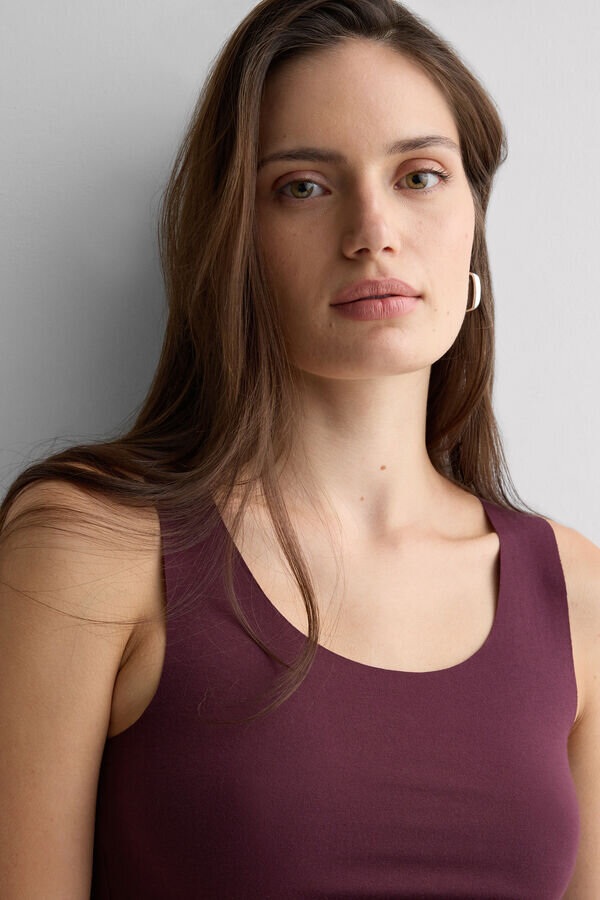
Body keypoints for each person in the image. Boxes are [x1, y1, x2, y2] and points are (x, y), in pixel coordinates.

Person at [1, 1, 598, 897]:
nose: (374, 231)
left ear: (474, 218)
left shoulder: (577, 595)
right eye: (304, 187)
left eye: (420, 176)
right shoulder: (91, 549)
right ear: (235, 239)